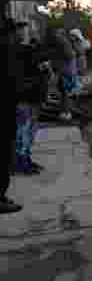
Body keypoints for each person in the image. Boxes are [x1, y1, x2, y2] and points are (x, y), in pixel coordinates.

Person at [12, 22, 48, 176]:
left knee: (29, 131)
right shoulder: (15, 51)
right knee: (23, 132)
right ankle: (20, 162)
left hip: (33, 96)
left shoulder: (27, 49)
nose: (24, 32)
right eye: (21, 30)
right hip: (23, 97)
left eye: (24, 30)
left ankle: (25, 159)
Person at [1, 18, 24, 213]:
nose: (20, 33)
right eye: (17, 30)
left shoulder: (11, 51)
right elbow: (12, 83)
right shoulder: (6, 52)